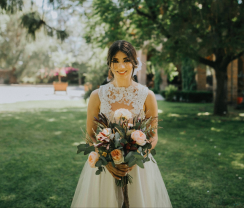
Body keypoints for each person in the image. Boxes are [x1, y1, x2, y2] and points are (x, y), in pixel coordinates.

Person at [71, 40, 172, 208]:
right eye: (115, 61)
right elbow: (90, 135)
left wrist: (136, 157)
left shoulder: (147, 96)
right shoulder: (97, 95)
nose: (121, 66)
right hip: (105, 169)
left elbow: (153, 137)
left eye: (126, 60)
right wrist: (107, 160)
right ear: (109, 64)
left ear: (134, 62)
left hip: (138, 170)